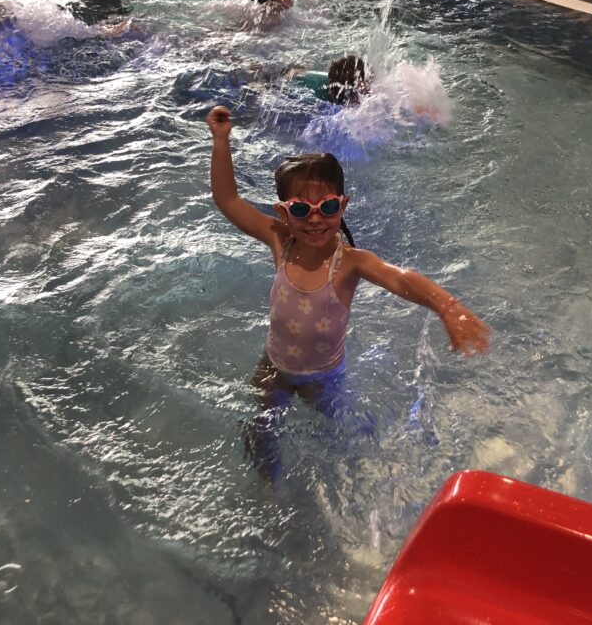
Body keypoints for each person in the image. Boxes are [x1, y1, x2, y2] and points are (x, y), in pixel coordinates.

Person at [207, 105, 489, 482]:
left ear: (342, 205)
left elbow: (400, 278)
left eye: (326, 207)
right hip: (273, 367)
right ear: (284, 212)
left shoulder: (350, 263)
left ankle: (369, 475)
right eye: (301, 209)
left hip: (323, 377)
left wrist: (447, 306)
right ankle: (270, 487)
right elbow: (228, 201)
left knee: (347, 436)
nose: (315, 218)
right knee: (261, 431)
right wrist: (221, 141)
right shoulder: (280, 241)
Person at [288, 54, 371, 105]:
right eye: (365, 82)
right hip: (291, 81)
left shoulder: (341, 84)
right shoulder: (319, 101)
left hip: (302, 74)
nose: (369, 88)